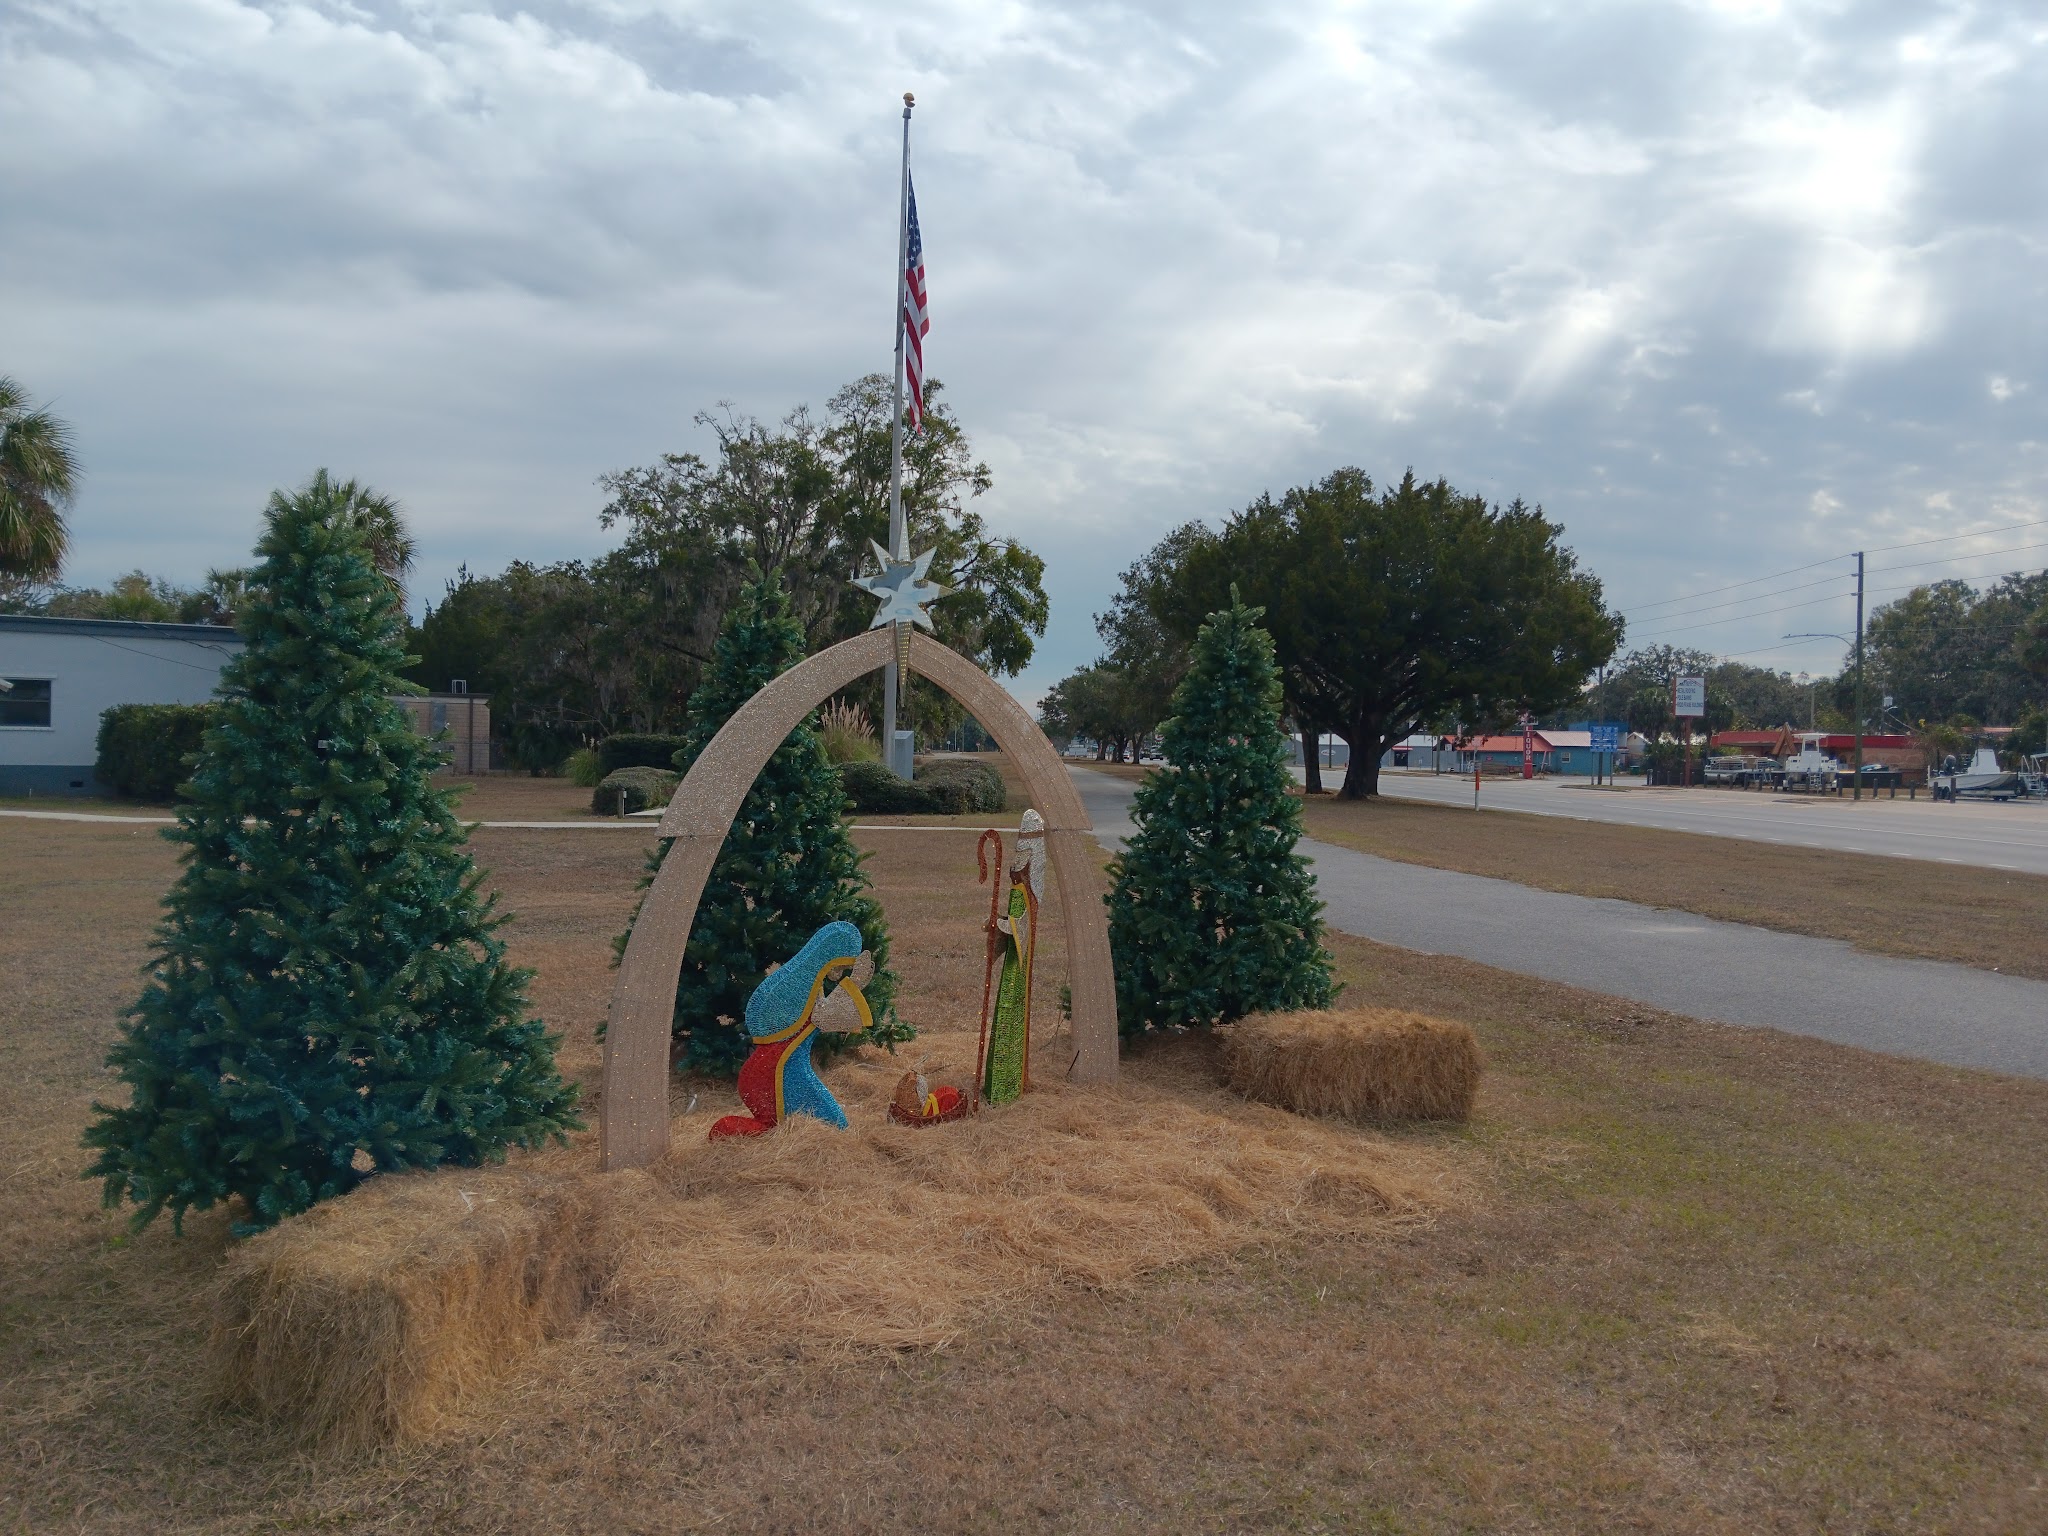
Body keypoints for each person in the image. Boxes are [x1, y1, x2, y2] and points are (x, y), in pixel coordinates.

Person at [982, 809, 1044, 1104]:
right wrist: (997, 923)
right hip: (1010, 966)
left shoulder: (1028, 894)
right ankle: (996, 1085)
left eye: (1020, 865)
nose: (1014, 871)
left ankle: (1007, 1087)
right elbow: (1012, 922)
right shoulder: (1017, 890)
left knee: (1011, 1013)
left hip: (1017, 971)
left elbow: (1023, 927)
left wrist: (1004, 924)